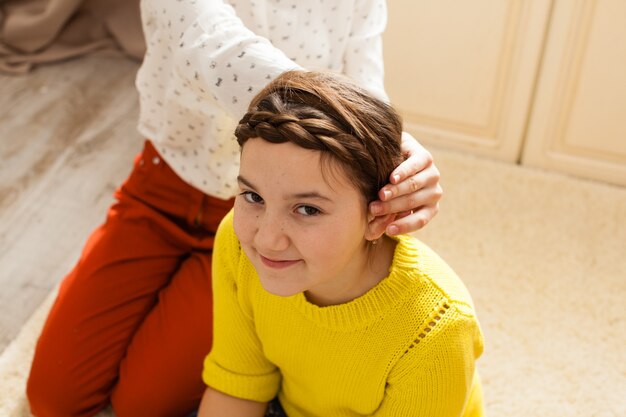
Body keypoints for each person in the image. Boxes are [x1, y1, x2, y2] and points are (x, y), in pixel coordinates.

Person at [26, 1, 442, 417]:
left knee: (143, 405)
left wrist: (397, 164)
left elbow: (364, 82)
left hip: (260, 217)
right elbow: (212, 45)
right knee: (53, 397)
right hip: (166, 186)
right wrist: (367, 134)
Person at [197, 70, 484, 417]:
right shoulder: (239, 243)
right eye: (254, 196)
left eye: (307, 209)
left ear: (378, 216)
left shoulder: (437, 329)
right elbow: (238, 385)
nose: (267, 239)